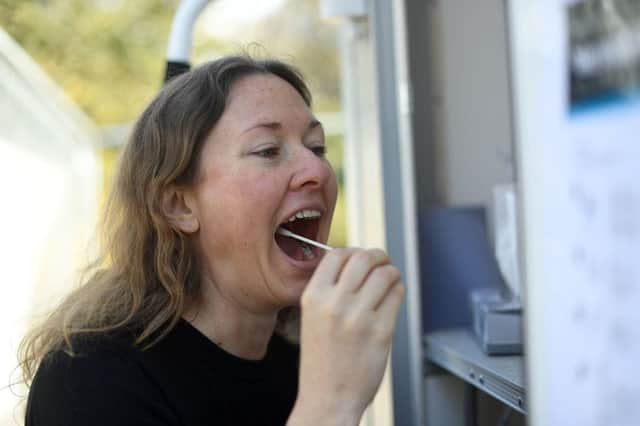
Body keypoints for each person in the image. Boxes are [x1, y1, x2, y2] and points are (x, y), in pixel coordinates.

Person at [19, 54, 405, 426]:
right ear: (179, 205)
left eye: (317, 147)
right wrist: (330, 407)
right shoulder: (88, 382)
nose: (317, 170)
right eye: (268, 150)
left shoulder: (299, 359)